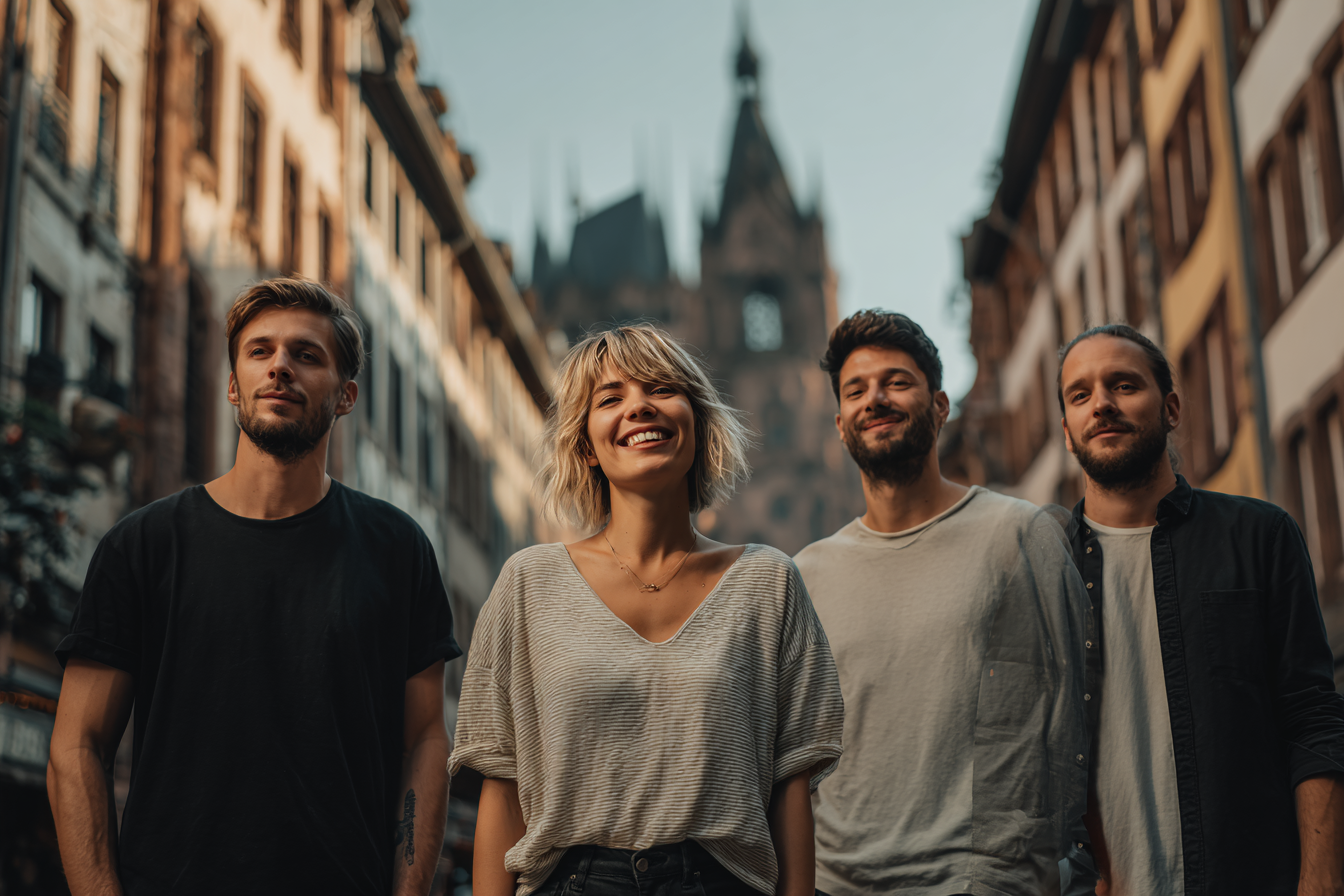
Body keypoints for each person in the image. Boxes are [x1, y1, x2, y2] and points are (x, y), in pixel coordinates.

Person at [46, 279, 460, 896]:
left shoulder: (397, 550)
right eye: (260, 351)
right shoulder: (144, 546)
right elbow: (76, 746)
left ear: (345, 396)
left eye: (306, 355)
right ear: (234, 385)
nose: (280, 368)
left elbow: (425, 739)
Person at [450, 324, 844, 896]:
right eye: (610, 399)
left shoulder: (768, 582)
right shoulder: (528, 583)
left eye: (661, 388)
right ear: (585, 444)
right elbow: (503, 788)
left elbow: (792, 788)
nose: (638, 407)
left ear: (696, 419)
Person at [794, 309, 1090, 896]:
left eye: (897, 382)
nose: (875, 398)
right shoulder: (805, 574)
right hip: (840, 885)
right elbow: (794, 758)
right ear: (840, 422)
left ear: (940, 405)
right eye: (857, 390)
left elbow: (1081, 712)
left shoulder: (1021, 535)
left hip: (982, 881)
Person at [1055, 324, 1344, 896]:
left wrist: (1322, 877)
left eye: (1123, 385)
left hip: (1252, 877)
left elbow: (1312, 715)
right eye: (1080, 395)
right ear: (1067, 432)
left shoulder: (1260, 536)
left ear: (1171, 408)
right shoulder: (1044, 568)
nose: (1103, 405)